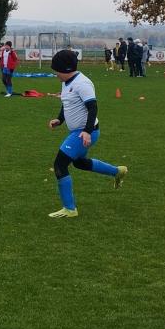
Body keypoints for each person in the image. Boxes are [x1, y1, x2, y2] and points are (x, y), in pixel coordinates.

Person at [44, 49, 128, 218]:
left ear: (66, 69)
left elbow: (93, 108)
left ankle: (70, 209)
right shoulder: (66, 82)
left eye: (56, 70)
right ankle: (117, 171)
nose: (55, 74)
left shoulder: (82, 83)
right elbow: (67, 103)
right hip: (79, 132)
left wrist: (87, 132)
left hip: (84, 132)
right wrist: (60, 120)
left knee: (60, 165)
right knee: (79, 163)